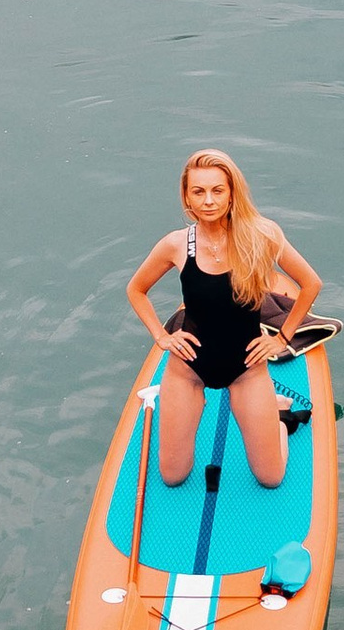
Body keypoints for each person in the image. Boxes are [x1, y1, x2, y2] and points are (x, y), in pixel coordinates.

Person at [125, 149, 321, 494]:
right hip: (188, 369)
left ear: (232, 193)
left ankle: (277, 415)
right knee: (173, 476)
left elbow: (310, 283)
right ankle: (192, 404)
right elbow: (136, 290)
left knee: (270, 478)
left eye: (217, 190)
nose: (208, 200)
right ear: (187, 196)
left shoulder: (262, 235)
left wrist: (281, 339)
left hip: (246, 370)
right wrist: (161, 336)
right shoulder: (176, 244)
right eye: (198, 191)